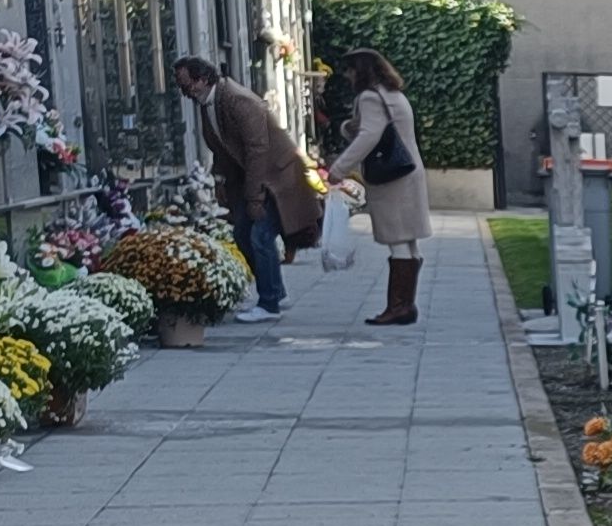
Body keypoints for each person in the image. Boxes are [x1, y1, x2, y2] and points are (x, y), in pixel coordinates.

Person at [177, 53, 317, 321]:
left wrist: (254, 198)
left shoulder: (237, 100)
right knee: (242, 233)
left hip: (276, 178)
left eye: (185, 82)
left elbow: (257, 150)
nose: (183, 89)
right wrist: (220, 180)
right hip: (252, 177)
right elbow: (221, 148)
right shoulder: (208, 102)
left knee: (260, 236)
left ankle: (269, 303)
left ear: (203, 79)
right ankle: (275, 291)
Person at [321, 46, 432, 326]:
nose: (347, 76)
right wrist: (350, 127)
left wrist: (339, 169)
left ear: (361, 70)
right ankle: (406, 305)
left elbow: (369, 136)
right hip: (408, 172)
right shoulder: (392, 94)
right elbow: (379, 129)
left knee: (398, 240)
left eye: (350, 70)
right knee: (408, 240)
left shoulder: (370, 97)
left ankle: (398, 307)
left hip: (391, 178)